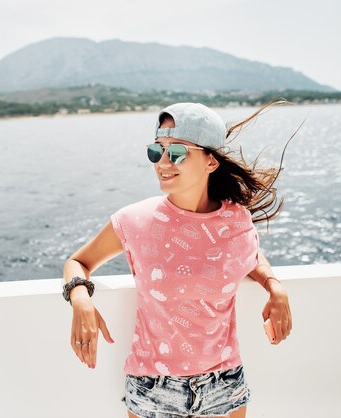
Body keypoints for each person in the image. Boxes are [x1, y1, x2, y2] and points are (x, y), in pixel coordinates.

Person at [62, 102, 293, 418]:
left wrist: (274, 286)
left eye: (178, 153)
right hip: (154, 385)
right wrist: (80, 300)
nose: (163, 162)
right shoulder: (135, 221)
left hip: (224, 382)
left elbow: (249, 255)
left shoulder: (237, 221)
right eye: (157, 151)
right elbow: (79, 261)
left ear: (210, 161)